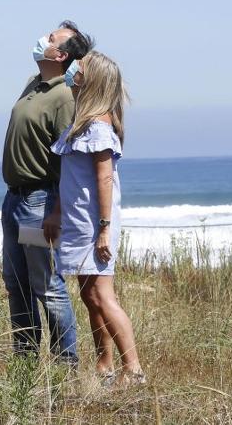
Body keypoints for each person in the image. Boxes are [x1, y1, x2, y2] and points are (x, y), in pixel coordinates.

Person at [0, 20, 93, 361]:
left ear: (61, 54)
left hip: (39, 201)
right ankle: (24, 360)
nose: (43, 38)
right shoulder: (32, 84)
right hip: (14, 198)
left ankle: (65, 366)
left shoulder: (64, 97)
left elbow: (68, 157)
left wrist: (56, 210)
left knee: (47, 286)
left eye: (51, 37)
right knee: (15, 282)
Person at [51, 50, 144, 386]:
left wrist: (104, 230)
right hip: (78, 223)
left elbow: (104, 179)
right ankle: (104, 364)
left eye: (81, 67)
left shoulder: (99, 127)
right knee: (90, 296)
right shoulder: (81, 125)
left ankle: (132, 368)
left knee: (104, 295)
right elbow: (71, 179)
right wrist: (58, 213)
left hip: (93, 226)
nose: (74, 69)